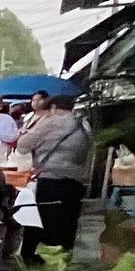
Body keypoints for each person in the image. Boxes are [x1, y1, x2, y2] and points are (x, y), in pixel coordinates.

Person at [20, 93, 91, 261]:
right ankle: (63, 256)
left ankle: (34, 256)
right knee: (68, 220)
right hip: (76, 181)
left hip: (51, 179)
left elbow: (23, 145)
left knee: (40, 218)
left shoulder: (51, 122)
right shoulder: (84, 124)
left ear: (53, 108)